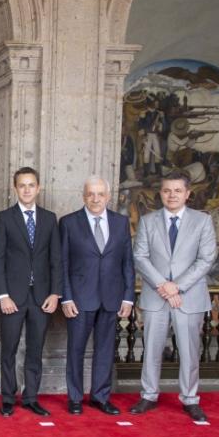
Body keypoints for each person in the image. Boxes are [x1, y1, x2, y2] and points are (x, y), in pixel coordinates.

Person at [130, 170, 216, 422]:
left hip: (188, 297)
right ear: (160, 193)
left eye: (178, 190)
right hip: (156, 296)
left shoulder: (202, 221)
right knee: (151, 349)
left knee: (189, 351)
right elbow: (140, 257)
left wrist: (176, 287)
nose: (172, 195)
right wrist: (163, 286)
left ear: (187, 194)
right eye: (167, 190)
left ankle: (190, 399)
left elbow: (206, 259)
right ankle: (148, 395)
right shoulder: (148, 221)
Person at [0, 167, 61, 417]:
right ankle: (8, 398)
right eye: (22, 185)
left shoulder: (50, 219)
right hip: (12, 297)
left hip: (42, 297)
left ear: (38, 188)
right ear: (15, 189)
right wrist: (3, 295)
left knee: (35, 349)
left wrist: (55, 293)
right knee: (8, 349)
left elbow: (56, 259)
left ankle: (31, 398)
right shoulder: (4, 218)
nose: (27, 190)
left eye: (31, 185)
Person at [60, 176, 135, 416]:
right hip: (79, 299)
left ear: (108, 197)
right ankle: (74, 398)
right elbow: (62, 264)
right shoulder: (68, 223)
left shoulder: (121, 222)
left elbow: (127, 262)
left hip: (112, 297)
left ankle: (100, 397)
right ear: (83, 196)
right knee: (76, 350)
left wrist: (128, 297)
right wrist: (66, 297)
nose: (95, 199)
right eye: (91, 194)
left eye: (100, 194)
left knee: (105, 350)